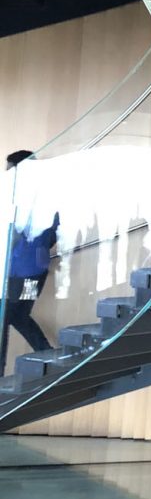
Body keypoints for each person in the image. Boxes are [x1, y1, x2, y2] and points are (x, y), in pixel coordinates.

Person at [0, 151, 58, 377]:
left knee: (4, 317)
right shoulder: (48, 193)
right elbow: (55, 230)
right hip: (36, 269)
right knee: (17, 315)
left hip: (17, 269)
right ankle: (46, 353)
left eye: (9, 168)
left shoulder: (18, 195)